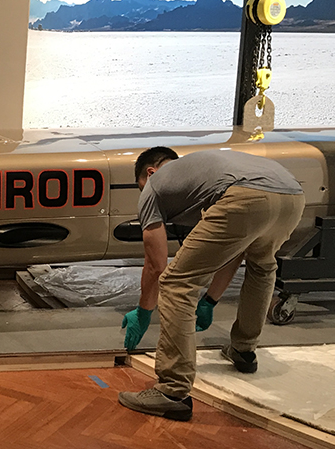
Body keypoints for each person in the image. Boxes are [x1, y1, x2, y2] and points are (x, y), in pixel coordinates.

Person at [117, 147, 305, 421]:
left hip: (246, 196)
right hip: (292, 195)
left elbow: (157, 264)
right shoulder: (202, 176)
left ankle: (172, 391)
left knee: (176, 282)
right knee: (262, 267)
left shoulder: (154, 185)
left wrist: (144, 312)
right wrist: (210, 300)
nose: (141, 193)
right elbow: (234, 250)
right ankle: (244, 350)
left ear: (150, 172)